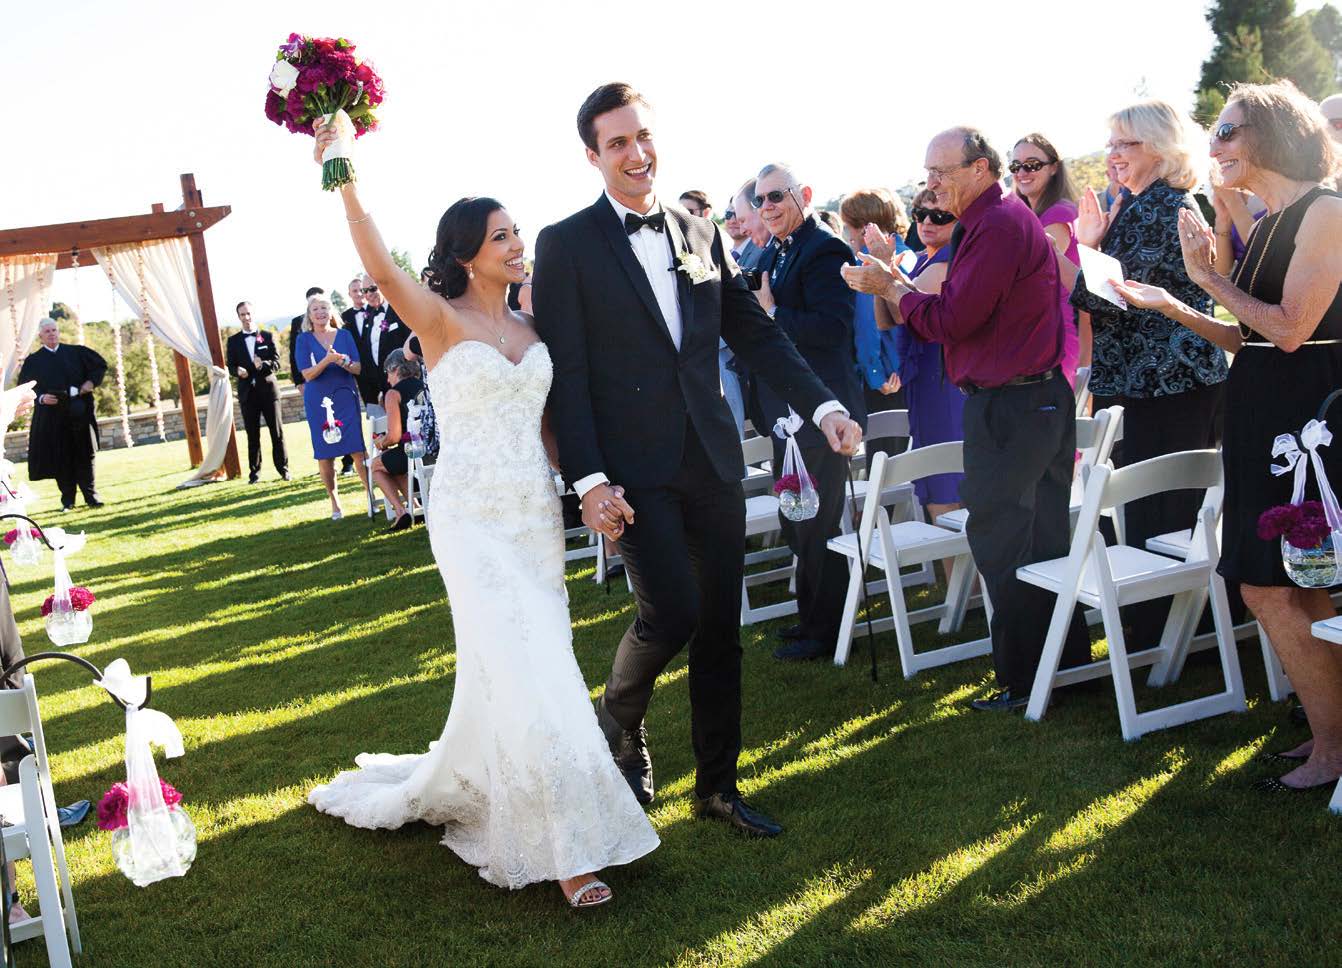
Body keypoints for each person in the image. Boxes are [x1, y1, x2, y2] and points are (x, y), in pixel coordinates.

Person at [306, 126, 659, 911]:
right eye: (502, 236)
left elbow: (552, 430)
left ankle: (521, 793)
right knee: (527, 662)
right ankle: (567, 851)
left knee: (537, 663)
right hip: (469, 520)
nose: (518, 244)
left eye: (517, 232)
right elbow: (379, 265)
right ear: (468, 254)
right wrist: (342, 171)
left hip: (533, 519)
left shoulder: (535, 332)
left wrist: (590, 490)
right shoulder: (437, 318)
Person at [533, 83, 862, 837]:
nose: (637, 153)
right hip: (630, 469)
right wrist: (588, 479)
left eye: (643, 136)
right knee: (672, 611)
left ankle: (718, 789)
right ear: (593, 156)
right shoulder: (566, 244)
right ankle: (621, 718)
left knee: (719, 628)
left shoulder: (701, 231)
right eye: (618, 143)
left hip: (711, 458)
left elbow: (756, 334)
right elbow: (567, 375)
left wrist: (825, 409)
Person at [1112, 80, 1342, 794]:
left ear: (1275, 134)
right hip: (1261, 421)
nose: (1213, 146)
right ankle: (1330, 734)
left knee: (1270, 586)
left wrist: (1207, 276)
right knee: (1291, 582)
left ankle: (1333, 750)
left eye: (1226, 131)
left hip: (1303, 430)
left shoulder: (1326, 211)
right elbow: (1250, 339)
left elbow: (1291, 330)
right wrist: (1175, 303)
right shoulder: (1271, 220)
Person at [842, 126, 1090, 712]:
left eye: (941, 172)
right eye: (927, 173)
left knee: (1005, 539)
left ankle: (1027, 680)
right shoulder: (991, 222)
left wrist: (890, 286)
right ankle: (1064, 667)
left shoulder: (997, 224)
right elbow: (956, 312)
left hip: (1013, 405)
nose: (930, 185)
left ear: (981, 169)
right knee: (1039, 537)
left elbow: (951, 321)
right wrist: (898, 284)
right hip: (1030, 399)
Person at [1071, 100, 1229, 645]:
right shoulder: (1139, 203)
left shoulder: (1161, 206)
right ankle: (1171, 631)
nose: (1113, 154)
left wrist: (1085, 246)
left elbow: (1106, 299)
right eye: (1111, 143)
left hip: (1167, 385)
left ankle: (1167, 634)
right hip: (1154, 383)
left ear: (1161, 148)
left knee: (1163, 511)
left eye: (1127, 143)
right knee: (1156, 509)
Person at [747, 162, 866, 663]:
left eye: (776, 196)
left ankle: (826, 629)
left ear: (804, 194)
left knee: (817, 523)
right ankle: (812, 616)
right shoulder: (776, 250)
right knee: (796, 518)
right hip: (787, 416)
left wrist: (773, 313)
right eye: (760, 200)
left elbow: (832, 328)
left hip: (822, 413)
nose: (767, 207)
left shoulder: (825, 250)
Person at [878, 190, 965, 533]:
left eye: (940, 216)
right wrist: (884, 277)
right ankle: (954, 565)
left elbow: (903, 314)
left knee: (944, 481)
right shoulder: (917, 260)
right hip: (925, 382)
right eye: (920, 214)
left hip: (943, 382)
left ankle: (957, 566)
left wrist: (884, 276)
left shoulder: (946, 262)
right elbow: (884, 319)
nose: (928, 222)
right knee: (934, 476)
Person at [839, 188, 909, 456]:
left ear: (864, 226)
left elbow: (870, 325)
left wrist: (876, 373)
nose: (848, 235)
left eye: (848, 226)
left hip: (886, 381)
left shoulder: (872, 261)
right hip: (904, 373)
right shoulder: (907, 253)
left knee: (884, 465)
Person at [1011, 133, 1085, 381]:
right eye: (1016, 166)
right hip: (1041, 332)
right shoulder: (1032, 216)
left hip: (1058, 334)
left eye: (1032, 164)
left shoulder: (1058, 214)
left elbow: (1030, 276)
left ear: (1054, 167)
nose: (1022, 172)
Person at [17, 318, 107, 511]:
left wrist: (91, 382)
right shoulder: (34, 361)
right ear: (40, 336)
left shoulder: (76, 352)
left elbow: (100, 365)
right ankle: (67, 501)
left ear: (58, 332)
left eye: (54, 330)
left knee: (85, 454)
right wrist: (41, 398)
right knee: (61, 457)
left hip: (79, 413)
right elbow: (24, 386)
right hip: (53, 418)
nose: (52, 334)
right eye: (47, 331)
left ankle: (92, 497)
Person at [295, 295, 368, 520]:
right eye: (315, 309)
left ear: (331, 312)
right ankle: (335, 504)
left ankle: (370, 496)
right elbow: (307, 374)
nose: (320, 312)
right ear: (309, 316)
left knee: (358, 449)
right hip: (319, 401)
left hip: (345, 397)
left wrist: (342, 361)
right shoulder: (303, 340)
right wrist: (327, 360)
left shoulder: (345, 335)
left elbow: (357, 368)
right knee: (325, 454)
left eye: (324, 308)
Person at [227, 301, 289, 483]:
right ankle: (254, 473)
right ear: (238, 317)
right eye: (242, 314)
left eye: (248, 313)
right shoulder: (233, 341)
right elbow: (230, 366)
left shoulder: (267, 336)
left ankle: (284, 470)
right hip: (248, 394)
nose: (246, 317)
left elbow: (276, 363)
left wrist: (263, 365)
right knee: (252, 435)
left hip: (269, 392)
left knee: (277, 433)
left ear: (253, 314)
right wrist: (237, 371)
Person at [369, 348, 424, 531]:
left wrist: (381, 442)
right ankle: (415, 506)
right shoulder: (426, 385)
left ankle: (401, 511)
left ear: (396, 369)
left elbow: (394, 436)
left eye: (388, 372)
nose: (387, 379)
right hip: (433, 450)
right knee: (391, 462)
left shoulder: (393, 394)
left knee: (376, 466)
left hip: (413, 452)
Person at [350, 275, 409, 413]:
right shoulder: (369, 317)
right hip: (384, 384)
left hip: (405, 378)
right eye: (365, 291)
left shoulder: (399, 307)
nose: (369, 294)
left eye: (373, 288)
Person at [288, 286, 324, 389]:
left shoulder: (333, 320)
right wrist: (298, 382)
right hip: (310, 378)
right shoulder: (297, 322)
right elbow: (293, 353)